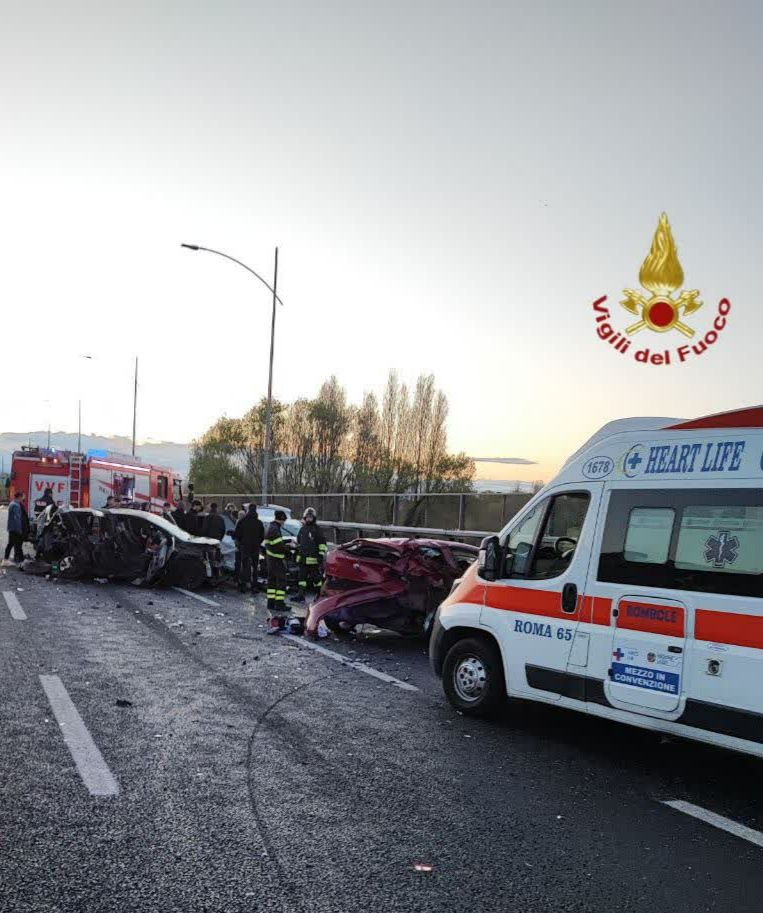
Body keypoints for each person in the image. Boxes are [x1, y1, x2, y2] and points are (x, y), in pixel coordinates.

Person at [292, 507, 328, 603]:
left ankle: (320, 595)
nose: (309, 519)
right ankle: (300, 595)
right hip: (303, 559)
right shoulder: (302, 529)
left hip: (313, 560)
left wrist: (320, 555)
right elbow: (299, 542)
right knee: (301, 578)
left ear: (314, 518)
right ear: (305, 517)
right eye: (307, 517)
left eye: (310, 517)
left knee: (316, 579)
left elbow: (322, 543)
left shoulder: (317, 530)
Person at [263, 509, 290, 632]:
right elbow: (278, 545)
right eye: (284, 520)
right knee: (281, 581)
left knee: (272, 582)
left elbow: (274, 543)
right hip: (277, 559)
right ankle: (279, 603)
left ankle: (271, 602)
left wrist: (287, 542)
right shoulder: (275, 529)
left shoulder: (271, 527)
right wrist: (288, 550)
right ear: (281, 519)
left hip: (271, 560)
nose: (284, 523)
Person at [234, 503, 264, 594]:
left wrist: (240, 544)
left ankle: (243, 585)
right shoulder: (259, 523)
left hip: (244, 547)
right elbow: (262, 536)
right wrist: (257, 543)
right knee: (255, 567)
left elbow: (237, 535)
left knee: (245, 566)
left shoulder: (242, 522)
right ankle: (254, 586)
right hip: (255, 547)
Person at [5, 491, 28, 564]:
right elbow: (17, 518)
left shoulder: (13, 503)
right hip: (15, 529)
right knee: (17, 545)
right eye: (23, 496)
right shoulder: (16, 505)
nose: (23, 498)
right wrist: (19, 529)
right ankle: (19, 560)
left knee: (11, 544)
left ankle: (6, 558)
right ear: (19, 497)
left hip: (12, 528)